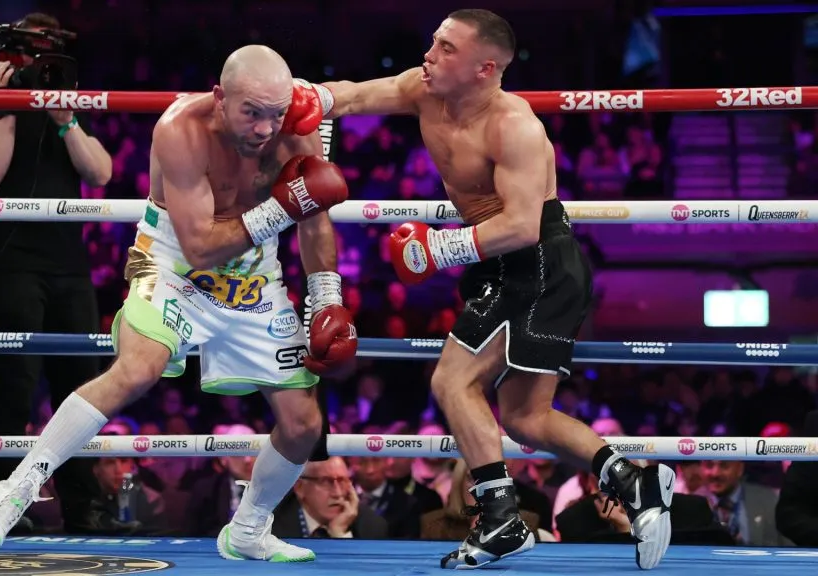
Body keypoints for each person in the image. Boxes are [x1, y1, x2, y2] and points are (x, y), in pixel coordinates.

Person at [282, 8, 674, 570]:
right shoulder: (423, 89)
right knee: (523, 417)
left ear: (484, 68)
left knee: (453, 379)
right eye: (434, 42)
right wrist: (311, 95)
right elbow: (355, 96)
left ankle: (501, 519)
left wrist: (439, 249)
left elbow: (522, 224)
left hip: (536, 264)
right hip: (506, 267)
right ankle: (633, 483)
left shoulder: (513, 126)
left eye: (446, 48)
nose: (430, 54)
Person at [0, 44, 357, 564]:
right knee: (138, 367)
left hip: (255, 274)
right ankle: (15, 489)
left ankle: (248, 529)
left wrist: (325, 297)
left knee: (304, 423)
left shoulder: (296, 127)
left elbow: (314, 219)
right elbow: (199, 245)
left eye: (275, 113)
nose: (266, 128)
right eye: (252, 113)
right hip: (172, 261)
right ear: (220, 98)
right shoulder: (180, 130)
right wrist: (283, 205)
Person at [0, 11, 111, 534]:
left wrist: (66, 119)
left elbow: (101, 172)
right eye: (30, 56)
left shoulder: (62, 96)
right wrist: (5, 110)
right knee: (15, 386)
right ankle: (1, 503)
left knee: (82, 386)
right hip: (9, 264)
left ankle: (85, 506)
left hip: (68, 264)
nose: (37, 67)